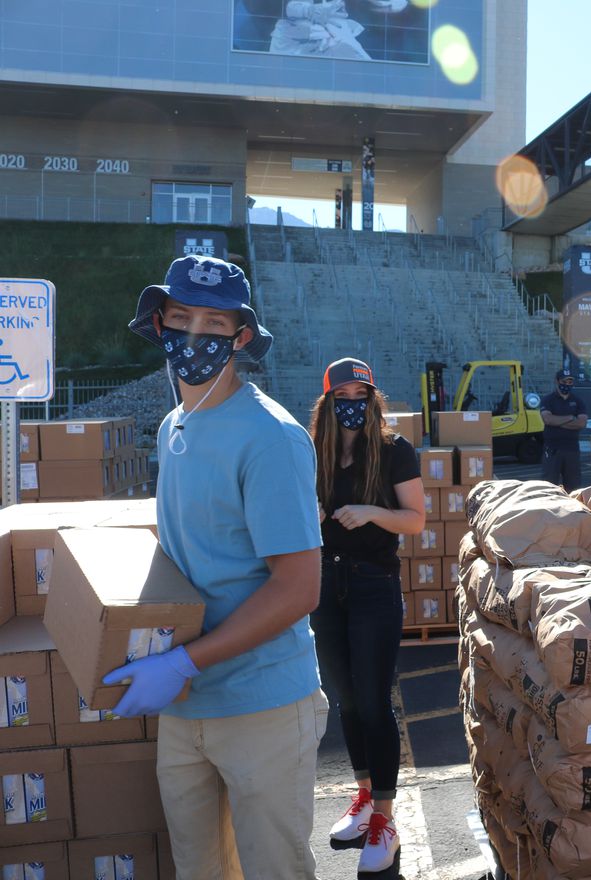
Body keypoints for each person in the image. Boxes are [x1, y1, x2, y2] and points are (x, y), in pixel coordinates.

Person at [113, 255, 327, 879]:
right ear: (159, 325)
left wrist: (181, 660)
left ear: (240, 339)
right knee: (199, 870)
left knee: (273, 871)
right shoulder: (172, 427)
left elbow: (298, 588)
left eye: (215, 323)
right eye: (182, 318)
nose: (196, 336)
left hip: (261, 701)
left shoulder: (270, 437)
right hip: (184, 707)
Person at [309, 358, 424, 874]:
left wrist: (373, 513)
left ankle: (385, 820)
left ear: (374, 398)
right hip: (325, 584)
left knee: (375, 702)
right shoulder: (316, 452)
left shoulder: (395, 450)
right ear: (329, 401)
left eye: (363, 392)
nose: (354, 402)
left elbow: (416, 519)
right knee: (346, 701)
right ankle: (362, 798)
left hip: (375, 585)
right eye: (345, 394)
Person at [540, 368, 588, 490]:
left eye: (570, 382)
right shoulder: (548, 400)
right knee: (548, 486)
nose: (567, 384)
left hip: (572, 450)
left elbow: (582, 423)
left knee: (574, 487)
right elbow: (548, 420)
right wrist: (571, 417)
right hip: (552, 450)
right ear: (557, 381)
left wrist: (558, 422)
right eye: (564, 381)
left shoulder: (578, 401)